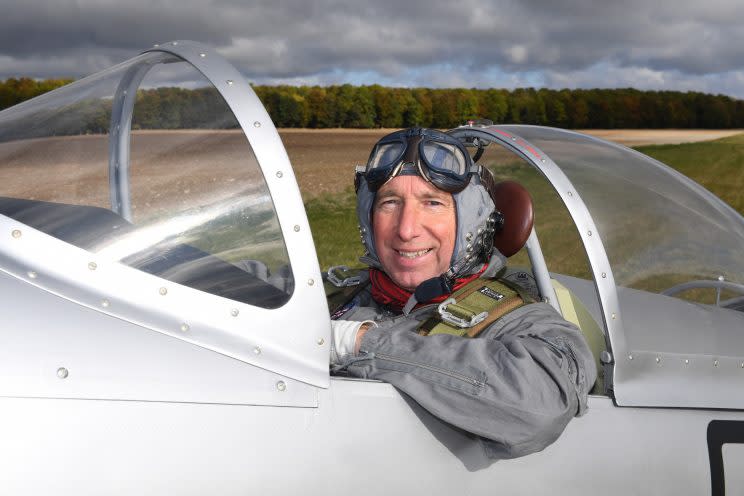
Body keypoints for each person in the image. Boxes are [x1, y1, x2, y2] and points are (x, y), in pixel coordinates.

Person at [328, 127, 597, 459]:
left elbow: (540, 403)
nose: (407, 229)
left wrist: (360, 342)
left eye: (432, 203)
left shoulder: (520, 319)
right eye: (390, 202)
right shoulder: (341, 293)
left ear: (472, 222)